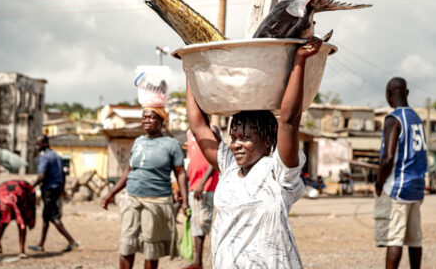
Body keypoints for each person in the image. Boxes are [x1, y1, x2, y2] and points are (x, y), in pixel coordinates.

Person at [186, 37, 322, 268]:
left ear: (268, 140)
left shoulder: (279, 172)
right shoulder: (229, 167)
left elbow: (288, 121)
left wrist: (299, 60)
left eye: (246, 138)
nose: (236, 144)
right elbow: (199, 128)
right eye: (234, 137)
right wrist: (190, 69)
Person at [101, 107, 189, 269]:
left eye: (151, 117)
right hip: (132, 198)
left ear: (162, 121)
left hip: (156, 201)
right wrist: (111, 193)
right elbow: (128, 171)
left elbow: (181, 173)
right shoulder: (138, 142)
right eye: (144, 117)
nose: (146, 120)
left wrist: (185, 201)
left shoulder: (172, 144)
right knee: (127, 244)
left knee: (151, 247)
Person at [374, 77, 427, 269]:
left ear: (388, 95)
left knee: (394, 238)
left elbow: (388, 158)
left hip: (397, 187)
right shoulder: (417, 119)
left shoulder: (394, 119)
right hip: (417, 188)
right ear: (408, 93)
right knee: (414, 240)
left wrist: (379, 184)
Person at [29, 135, 78, 253]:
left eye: (38, 144)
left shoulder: (44, 157)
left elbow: (42, 175)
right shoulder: (57, 156)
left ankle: (72, 241)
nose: (37, 147)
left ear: (45, 143)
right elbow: (63, 174)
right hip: (57, 189)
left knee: (53, 217)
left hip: (49, 190)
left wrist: (31, 187)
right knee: (46, 217)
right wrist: (62, 188)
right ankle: (40, 244)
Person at [184, 126, 221, 269]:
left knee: (202, 223)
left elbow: (216, 158)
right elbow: (192, 158)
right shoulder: (189, 132)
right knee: (195, 223)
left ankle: (199, 261)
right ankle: (197, 261)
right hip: (193, 185)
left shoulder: (212, 129)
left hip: (206, 186)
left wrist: (202, 182)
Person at [0, 180, 37, 258]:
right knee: (1, 225)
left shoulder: (21, 197)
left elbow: (22, 223)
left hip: (25, 194)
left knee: (22, 223)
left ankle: (22, 250)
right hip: (10, 192)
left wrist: (31, 219)